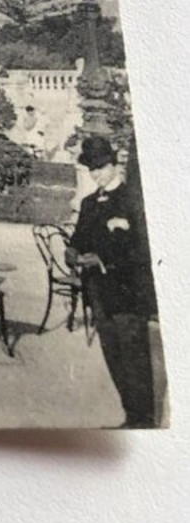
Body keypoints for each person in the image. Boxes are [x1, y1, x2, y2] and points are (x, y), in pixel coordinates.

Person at [67, 136, 158, 428]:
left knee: (135, 359)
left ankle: (144, 421)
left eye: (101, 167)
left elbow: (143, 250)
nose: (96, 175)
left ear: (114, 164)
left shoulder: (132, 201)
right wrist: (71, 252)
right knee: (114, 357)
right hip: (99, 295)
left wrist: (103, 259)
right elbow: (78, 240)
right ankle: (131, 416)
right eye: (91, 169)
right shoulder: (89, 203)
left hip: (128, 294)